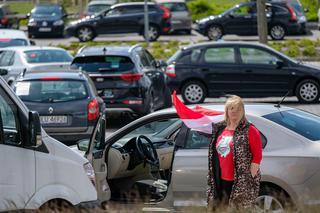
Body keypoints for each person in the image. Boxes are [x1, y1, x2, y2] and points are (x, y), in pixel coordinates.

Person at [207, 95, 262, 210]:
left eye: (238, 109)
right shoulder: (220, 129)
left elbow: (257, 158)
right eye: (231, 108)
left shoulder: (250, 130)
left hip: (239, 183)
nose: (234, 112)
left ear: (243, 111)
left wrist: (247, 179)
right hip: (220, 180)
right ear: (227, 111)